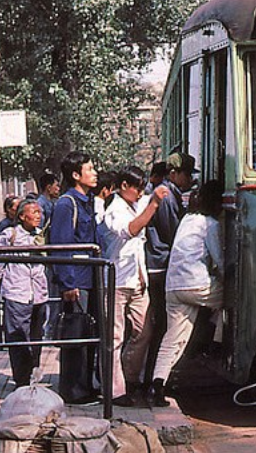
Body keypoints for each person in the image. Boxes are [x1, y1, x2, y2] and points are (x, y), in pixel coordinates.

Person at [98, 166, 168, 407]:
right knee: (114, 336)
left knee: (143, 330)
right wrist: (154, 205)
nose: (140, 193)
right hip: (117, 280)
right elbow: (130, 230)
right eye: (137, 188)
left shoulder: (137, 202)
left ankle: (129, 377)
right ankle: (115, 390)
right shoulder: (114, 208)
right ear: (124, 186)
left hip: (138, 279)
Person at [150, 180, 224, 407]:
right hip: (196, 284)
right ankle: (217, 342)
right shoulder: (210, 224)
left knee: (172, 338)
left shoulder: (186, 220)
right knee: (234, 298)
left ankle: (158, 384)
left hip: (173, 287)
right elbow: (219, 259)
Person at [143, 152, 197, 391]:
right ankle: (153, 379)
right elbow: (172, 233)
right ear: (174, 174)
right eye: (186, 174)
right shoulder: (166, 197)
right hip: (160, 265)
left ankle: (155, 377)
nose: (188, 179)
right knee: (162, 327)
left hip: (162, 264)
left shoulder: (172, 194)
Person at [49, 151, 98, 404]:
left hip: (90, 278)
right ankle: (73, 391)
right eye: (89, 169)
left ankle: (86, 385)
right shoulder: (67, 204)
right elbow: (61, 245)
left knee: (87, 334)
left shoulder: (87, 201)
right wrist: (68, 283)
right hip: (76, 280)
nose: (95, 172)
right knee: (76, 337)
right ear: (76, 175)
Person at [0, 199, 48, 387]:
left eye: (39, 212)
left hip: (39, 292)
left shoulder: (42, 234)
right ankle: (21, 379)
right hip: (17, 292)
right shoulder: (10, 235)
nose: (38, 216)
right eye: (33, 212)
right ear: (22, 216)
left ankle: (34, 371)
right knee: (18, 336)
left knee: (36, 334)